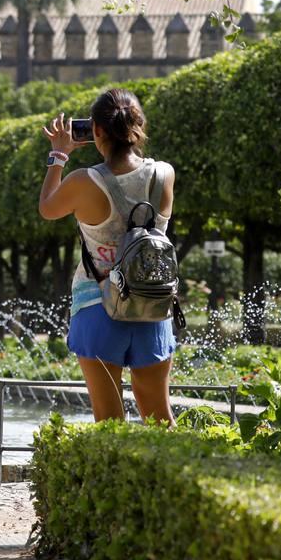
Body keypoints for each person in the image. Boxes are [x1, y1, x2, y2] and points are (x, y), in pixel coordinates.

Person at [37, 87, 176, 423]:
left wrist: (59, 155)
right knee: (160, 417)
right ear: (137, 125)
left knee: (109, 421)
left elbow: (47, 209)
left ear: (96, 130)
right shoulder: (164, 174)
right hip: (152, 305)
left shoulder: (84, 181)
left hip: (97, 304)